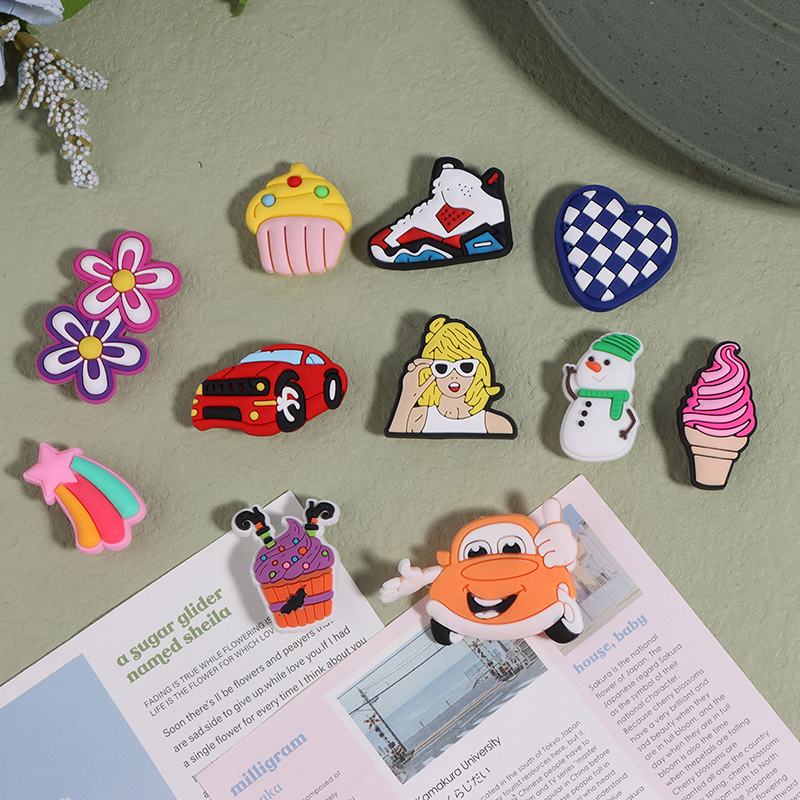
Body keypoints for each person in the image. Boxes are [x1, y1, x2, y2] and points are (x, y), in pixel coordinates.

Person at [386, 316, 516, 437]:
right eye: (442, 368)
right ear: (430, 371)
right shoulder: (417, 418)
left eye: (465, 367)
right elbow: (395, 433)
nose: (454, 376)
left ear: (480, 369)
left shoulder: (497, 424)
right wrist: (407, 396)